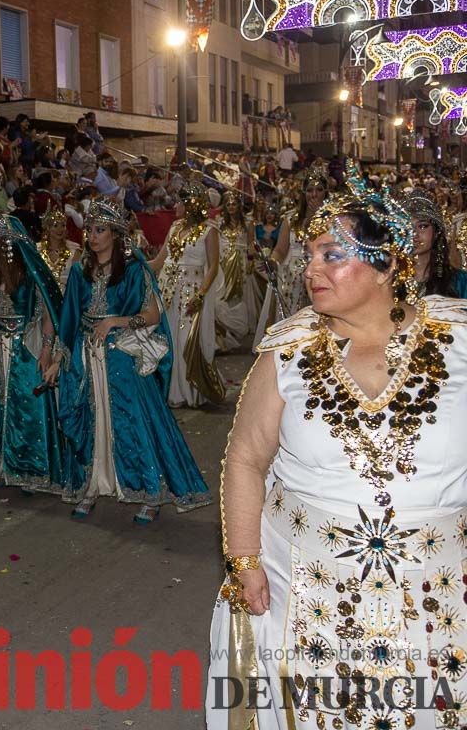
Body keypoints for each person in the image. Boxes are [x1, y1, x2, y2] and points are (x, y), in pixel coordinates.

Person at [206, 183, 467, 730]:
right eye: (309, 256)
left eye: (332, 255)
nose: (311, 269)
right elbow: (247, 458)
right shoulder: (289, 350)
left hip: (439, 586)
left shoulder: (459, 340)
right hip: (308, 585)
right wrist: (245, 559)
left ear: (386, 266)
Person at [53, 201, 211, 523]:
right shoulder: (81, 273)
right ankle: (93, 485)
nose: (92, 237)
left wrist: (115, 322)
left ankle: (151, 492)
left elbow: (152, 314)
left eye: (100, 230)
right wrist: (57, 357)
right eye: (90, 230)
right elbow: (67, 319)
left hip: (122, 359)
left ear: (115, 235)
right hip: (88, 360)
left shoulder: (134, 271)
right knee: (93, 423)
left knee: (134, 423)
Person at [0, 213, 67, 494]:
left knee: (27, 408)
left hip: (26, 348)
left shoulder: (31, 275)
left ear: (6, 243)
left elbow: (48, 314)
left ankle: (30, 468)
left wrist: (46, 350)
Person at [150, 182, 225, 408]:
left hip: (191, 292)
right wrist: (133, 264)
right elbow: (160, 260)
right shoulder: (174, 227)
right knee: (168, 339)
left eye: (181, 201)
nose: (176, 205)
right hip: (168, 290)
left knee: (186, 342)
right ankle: (171, 391)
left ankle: (190, 391)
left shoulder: (209, 230)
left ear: (192, 204)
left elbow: (212, 267)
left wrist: (201, 295)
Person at [254, 171, 323, 344]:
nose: (313, 194)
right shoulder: (291, 218)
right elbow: (280, 249)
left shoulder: (333, 218)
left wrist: (320, 218)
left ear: (326, 192)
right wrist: (273, 261)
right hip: (291, 279)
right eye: (309, 190)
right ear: (303, 193)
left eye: (319, 189)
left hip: (319, 275)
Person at [213, 190, 257, 351]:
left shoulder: (247, 221)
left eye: (234, 203)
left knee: (239, 294)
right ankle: (226, 331)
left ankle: (237, 328)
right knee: (223, 294)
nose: (231, 206)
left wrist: (252, 260)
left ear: (239, 205)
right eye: (228, 204)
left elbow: (251, 243)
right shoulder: (219, 222)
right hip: (223, 262)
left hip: (240, 263)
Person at [403, 189, 467, 298]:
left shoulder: (460, 282)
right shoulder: (387, 282)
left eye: (422, 226)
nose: (414, 234)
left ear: (436, 232)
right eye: (406, 227)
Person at [38, 204, 82, 293]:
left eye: (63, 225)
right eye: (55, 225)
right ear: (47, 228)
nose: (60, 229)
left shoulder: (74, 250)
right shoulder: (37, 250)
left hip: (67, 297)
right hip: (44, 298)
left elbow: (78, 280)